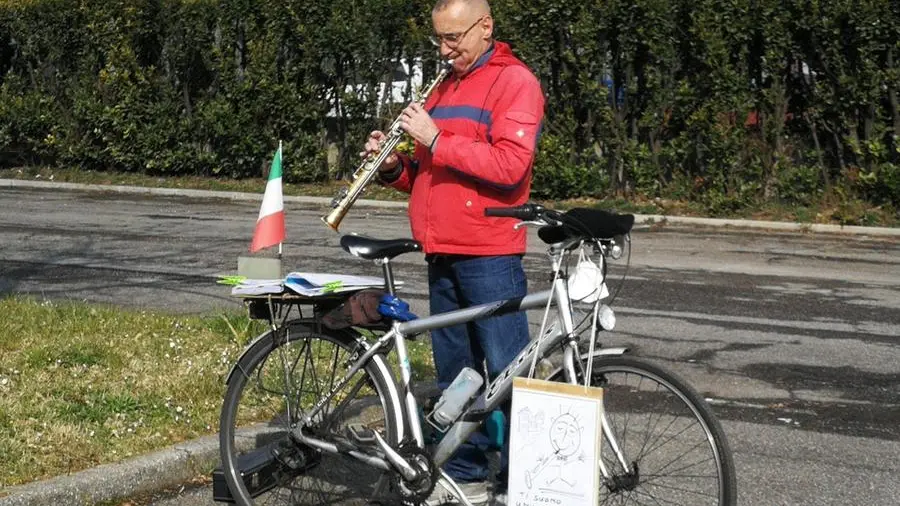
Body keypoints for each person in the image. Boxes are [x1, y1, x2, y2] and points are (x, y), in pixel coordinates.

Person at [363, 0, 545, 504]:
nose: (444, 50)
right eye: (438, 39)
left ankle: (520, 482)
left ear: (486, 27)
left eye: (453, 38)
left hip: (489, 254)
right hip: (441, 250)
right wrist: (393, 169)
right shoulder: (443, 86)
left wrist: (436, 137)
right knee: (455, 376)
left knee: (508, 372)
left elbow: (509, 166)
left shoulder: (515, 82)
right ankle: (463, 475)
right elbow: (431, 176)